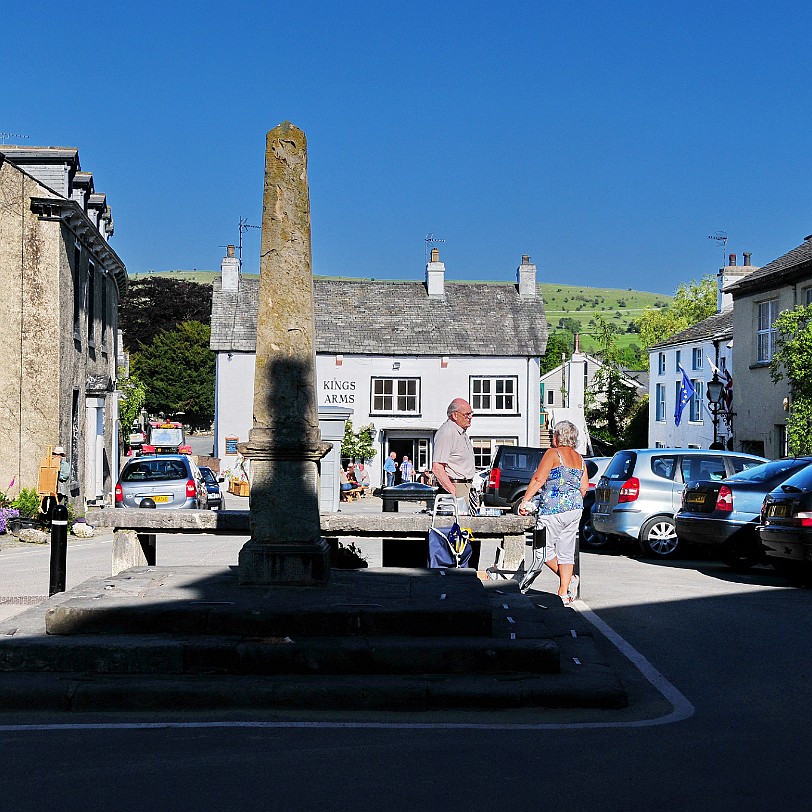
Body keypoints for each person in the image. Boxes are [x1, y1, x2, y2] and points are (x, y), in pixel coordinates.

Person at [518, 421, 588, 603]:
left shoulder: (553, 453)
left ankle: (569, 580)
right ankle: (564, 591)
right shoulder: (580, 459)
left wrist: (525, 501)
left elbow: (539, 478)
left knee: (543, 549)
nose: (551, 438)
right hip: (574, 509)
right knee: (566, 550)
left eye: (553, 435)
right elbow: (584, 486)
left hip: (552, 508)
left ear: (559, 436)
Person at [431, 398, 476, 514]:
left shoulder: (461, 432)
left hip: (466, 487)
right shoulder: (448, 432)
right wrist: (453, 491)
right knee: (456, 529)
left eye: (471, 414)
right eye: (466, 414)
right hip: (456, 487)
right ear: (455, 415)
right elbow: (437, 467)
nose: (470, 417)